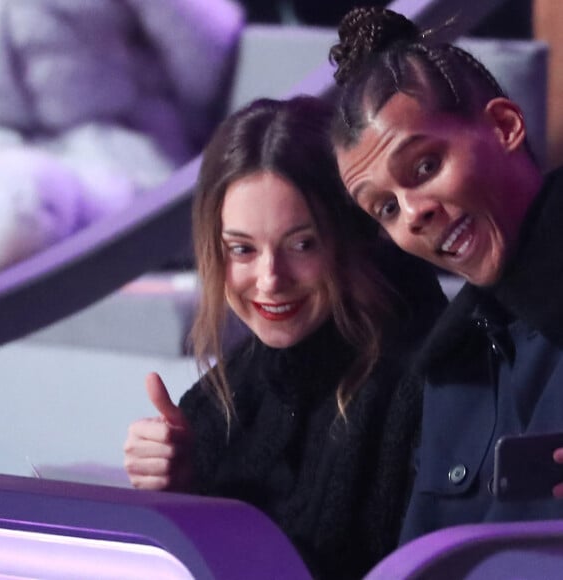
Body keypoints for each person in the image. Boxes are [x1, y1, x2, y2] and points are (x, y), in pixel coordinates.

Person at [124, 95, 447, 578]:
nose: (270, 279)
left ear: (353, 233)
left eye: (301, 244)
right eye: (242, 249)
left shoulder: (428, 377)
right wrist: (175, 493)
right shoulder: (224, 396)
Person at [329, 5, 563, 544]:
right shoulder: (448, 369)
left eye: (426, 167)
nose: (414, 214)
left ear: (504, 126)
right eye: (385, 208)